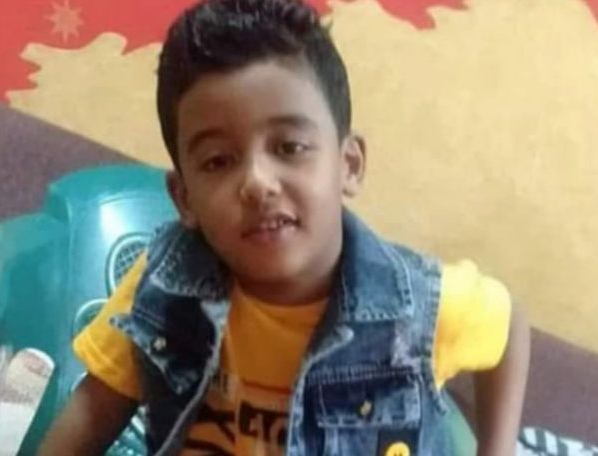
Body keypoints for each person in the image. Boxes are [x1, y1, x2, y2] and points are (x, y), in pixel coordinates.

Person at [38, 0, 530, 454]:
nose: (257, 183)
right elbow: (95, 408)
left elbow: (508, 326)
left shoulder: (420, 306)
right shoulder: (164, 283)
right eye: (218, 161)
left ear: (349, 166)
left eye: (289, 147)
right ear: (184, 198)